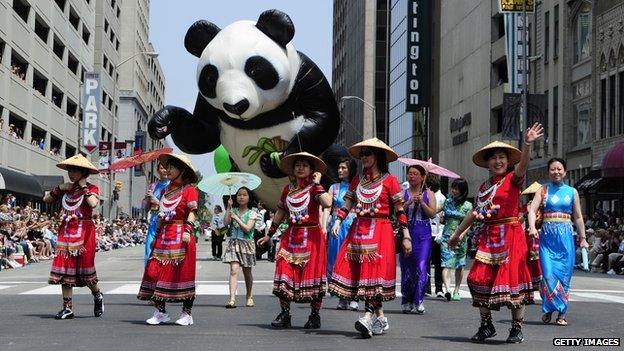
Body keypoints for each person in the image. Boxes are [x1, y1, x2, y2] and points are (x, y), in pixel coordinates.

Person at [449, 122, 544, 344]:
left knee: (513, 282)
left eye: (502, 157)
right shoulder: (483, 187)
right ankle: (486, 325)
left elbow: (523, 166)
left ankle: (516, 328)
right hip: (489, 238)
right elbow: (475, 212)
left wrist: (527, 144)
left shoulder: (513, 179)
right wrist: (458, 234)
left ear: (507, 161)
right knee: (477, 279)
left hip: (511, 235)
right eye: (494, 158)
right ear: (487, 163)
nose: (498, 161)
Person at [328, 138, 412, 338]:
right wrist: (339, 221)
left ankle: (367, 316)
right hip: (358, 230)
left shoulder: (389, 181)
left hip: (381, 230)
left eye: (369, 154)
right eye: (362, 154)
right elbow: (347, 203)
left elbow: (400, 211)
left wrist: (406, 235)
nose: (364, 157)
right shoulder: (358, 180)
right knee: (363, 275)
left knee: (373, 275)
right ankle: (381, 318)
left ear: (378, 157)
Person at [258, 152, 333, 329]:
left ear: (312, 170)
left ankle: (315, 316)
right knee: (283, 270)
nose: (300, 168)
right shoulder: (287, 190)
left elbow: (328, 203)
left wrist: (317, 183)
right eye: (297, 165)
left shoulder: (315, 188)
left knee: (313, 276)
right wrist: (269, 234)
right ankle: (285, 314)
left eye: (304, 165)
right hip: (290, 236)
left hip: (312, 238)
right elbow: (280, 212)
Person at [137, 153, 199, 326]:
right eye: (168, 167)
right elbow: (161, 214)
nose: (168, 170)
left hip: (181, 235)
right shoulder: (165, 190)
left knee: (182, 274)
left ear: (182, 170)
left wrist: (188, 229)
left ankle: (186, 314)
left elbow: (192, 212)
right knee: (153, 271)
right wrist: (155, 235)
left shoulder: (190, 190)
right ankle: (160, 312)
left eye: (172, 167)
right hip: (164, 235)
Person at [527, 158, 588, 326]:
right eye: (553, 169)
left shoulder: (572, 192)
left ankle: (561, 313)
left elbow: (578, 217)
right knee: (548, 275)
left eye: (559, 169)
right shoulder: (543, 190)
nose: (556, 172)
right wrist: (532, 227)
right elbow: (532, 211)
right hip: (547, 238)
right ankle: (548, 309)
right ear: (548, 172)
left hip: (566, 238)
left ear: (565, 171)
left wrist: (583, 239)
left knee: (564, 277)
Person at [43, 154, 104, 320]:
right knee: (65, 268)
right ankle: (67, 307)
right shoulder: (66, 188)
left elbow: (93, 204)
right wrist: (58, 189)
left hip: (85, 232)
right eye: (70, 169)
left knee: (86, 270)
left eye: (75, 170)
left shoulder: (91, 188)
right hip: (66, 231)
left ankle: (97, 294)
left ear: (84, 172)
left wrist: (84, 188)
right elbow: (46, 199)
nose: (71, 173)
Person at [321, 156, 358, 311]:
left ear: (351, 170)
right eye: (339, 167)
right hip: (336, 227)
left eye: (344, 168)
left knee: (352, 260)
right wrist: (323, 227)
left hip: (352, 225)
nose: (340, 170)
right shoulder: (333, 188)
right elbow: (327, 208)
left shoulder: (357, 186)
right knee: (336, 259)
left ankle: (354, 296)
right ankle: (341, 296)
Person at [400, 165, 436, 314]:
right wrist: (408, 203)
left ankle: (419, 300)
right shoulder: (403, 193)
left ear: (422, 177)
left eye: (415, 174)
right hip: (407, 232)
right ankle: (407, 299)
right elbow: (397, 211)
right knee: (407, 268)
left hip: (424, 234)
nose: (412, 176)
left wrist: (422, 202)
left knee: (421, 267)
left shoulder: (429, 193)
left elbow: (432, 214)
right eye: (409, 174)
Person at [222, 187, 257, 308]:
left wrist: (236, 218)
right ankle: (232, 299)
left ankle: (249, 295)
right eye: (239, 195)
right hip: (233, 244)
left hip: (247, 245)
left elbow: (248, 229)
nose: (241, 197)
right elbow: (225, 223)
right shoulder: (233, 210)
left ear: (249, 198)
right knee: (233, 270)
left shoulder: (252, 213)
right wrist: (228, 208)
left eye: (244, 195)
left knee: (247, 272)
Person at [439, 179, 472, 302]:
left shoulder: (468, 205)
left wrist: (462, 234)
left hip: (461, 239)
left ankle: (457, 290)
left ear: (463, 190)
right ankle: (447, 290)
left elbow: (469, 222)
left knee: (459, 264)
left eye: (457, 188)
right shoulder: (447, 202)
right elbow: (434, 210)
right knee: (446, 263)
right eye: (453, 188)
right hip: (447, 237)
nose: (454, 191)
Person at [144, 162, 169, 265]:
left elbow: (170, 207)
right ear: (158, 171)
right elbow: (146, 209)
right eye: (162, 168)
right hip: (154, 222)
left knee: (163, 252)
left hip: (166, 222)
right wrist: (148, 199)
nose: (164, 170)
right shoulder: (153, 186)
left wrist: (157, 201)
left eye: (166, 168)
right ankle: (149, 276)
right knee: (149, 250)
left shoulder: (172, 186)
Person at [428, 176, 445, 298]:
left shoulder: (441, 198)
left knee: (438, 262)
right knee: (427, 262)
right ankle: (428, 287)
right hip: (428, 231)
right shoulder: (426, 195)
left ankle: (438, 288)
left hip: (437, 232)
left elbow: (443, 219)